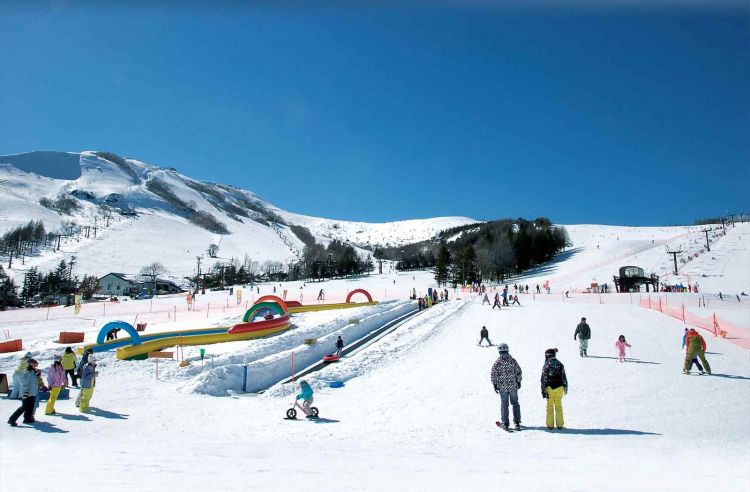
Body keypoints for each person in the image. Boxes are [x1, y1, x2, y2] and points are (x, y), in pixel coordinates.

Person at [490, 343, 522, 431]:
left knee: (504, 404)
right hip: (513, 386)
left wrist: (495, 384)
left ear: (499, 351)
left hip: (502, 387)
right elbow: (518, 371)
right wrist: (518, 381)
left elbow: (493, 374)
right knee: (515, 403)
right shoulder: (512, 360)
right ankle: (517, 421)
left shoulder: (497, 362)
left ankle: (505, 422)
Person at [7, 358, 41, 426]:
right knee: (24, 407)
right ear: (31, 365)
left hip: (33, 393)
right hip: (27, 393)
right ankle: (11, 419)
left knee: (30, 407)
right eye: (35, 365)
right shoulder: (27, 373)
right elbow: (24, 384)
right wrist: (26, 393)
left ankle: (27, 418)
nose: (36, 366)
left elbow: (34, 382)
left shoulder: (33, 372)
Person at [541, 348, 567, 430]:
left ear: (547, 356)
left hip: (550, 388)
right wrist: (565, 387)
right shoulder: (560, 364)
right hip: (560, 387)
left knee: (550, 406)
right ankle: (560, 425)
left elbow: (544, 378)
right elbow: (564, 376)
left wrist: (543, 389)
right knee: (558, 405)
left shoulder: (547, 364)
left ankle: (550, 425)